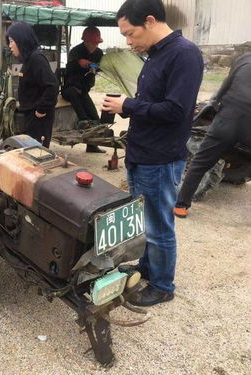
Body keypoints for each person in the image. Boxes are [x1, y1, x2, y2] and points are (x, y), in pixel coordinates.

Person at [102, 0, 203, 306]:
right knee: (145, 221)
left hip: (160, 157)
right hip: (142, 153)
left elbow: (175, 110)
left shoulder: (184, 54)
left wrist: (127, 106)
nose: (128, 41)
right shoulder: (156, 55)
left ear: (149, 21)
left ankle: (162, 285)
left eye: (130, 34)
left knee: (159, 224)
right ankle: (147, 267)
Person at [174, 53, 251, 218]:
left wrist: (215, 108)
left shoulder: (243, 59)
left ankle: (181, 206)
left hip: (226, 122)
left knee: (200, 164)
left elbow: (225, 87)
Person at [6, 21, 59, 148]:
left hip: (39, 117)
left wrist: (41, 109)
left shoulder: (37, 59)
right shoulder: (28, 59)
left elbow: (52, 86)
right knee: (30, 152)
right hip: (31, 114)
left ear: (21, 40)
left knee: (38, 153)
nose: (10, 46)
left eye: (12, 41)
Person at [62, 26, 106, 153]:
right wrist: (79, 64)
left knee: (94, 116)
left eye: (97, 43)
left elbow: (100, 68)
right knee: (75, 98)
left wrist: (96, 67)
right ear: (86, 42)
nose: (95, 46)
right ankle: (82, 121)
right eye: (93, 43)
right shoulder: (75, 51)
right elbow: (69, 70)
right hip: (70, 88)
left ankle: (92, 145)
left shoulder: (98, 53)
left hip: (84, 90)